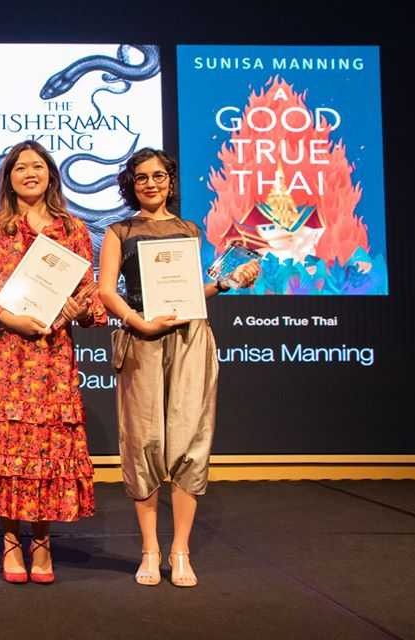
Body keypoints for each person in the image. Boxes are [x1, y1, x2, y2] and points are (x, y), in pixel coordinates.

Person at [97, 148, 258, 588]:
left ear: (170, 179)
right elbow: (107, 291)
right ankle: (150, 548)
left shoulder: (188, 229)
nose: (150, 183)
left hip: (190, 341)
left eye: (159, 175)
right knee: (145, 442)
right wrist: (138, 323)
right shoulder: (119, 230)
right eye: (141, 177)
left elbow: (189, 290)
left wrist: (227, 282)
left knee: (189, 440)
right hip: (142, 339)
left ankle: (180, 550)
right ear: (130, 183)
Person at [0, 140, 105, 584]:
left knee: (45, 449)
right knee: (6, 450)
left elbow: (90, 299)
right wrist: (14, 320)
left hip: (51, 358)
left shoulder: (73, 229)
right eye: (20, 168)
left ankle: (41, 540)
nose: (29, 173)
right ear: (8, 178)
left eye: (38, 166)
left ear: (51, 175)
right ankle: (10, 541)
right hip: (3, 355)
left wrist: (80, 308)